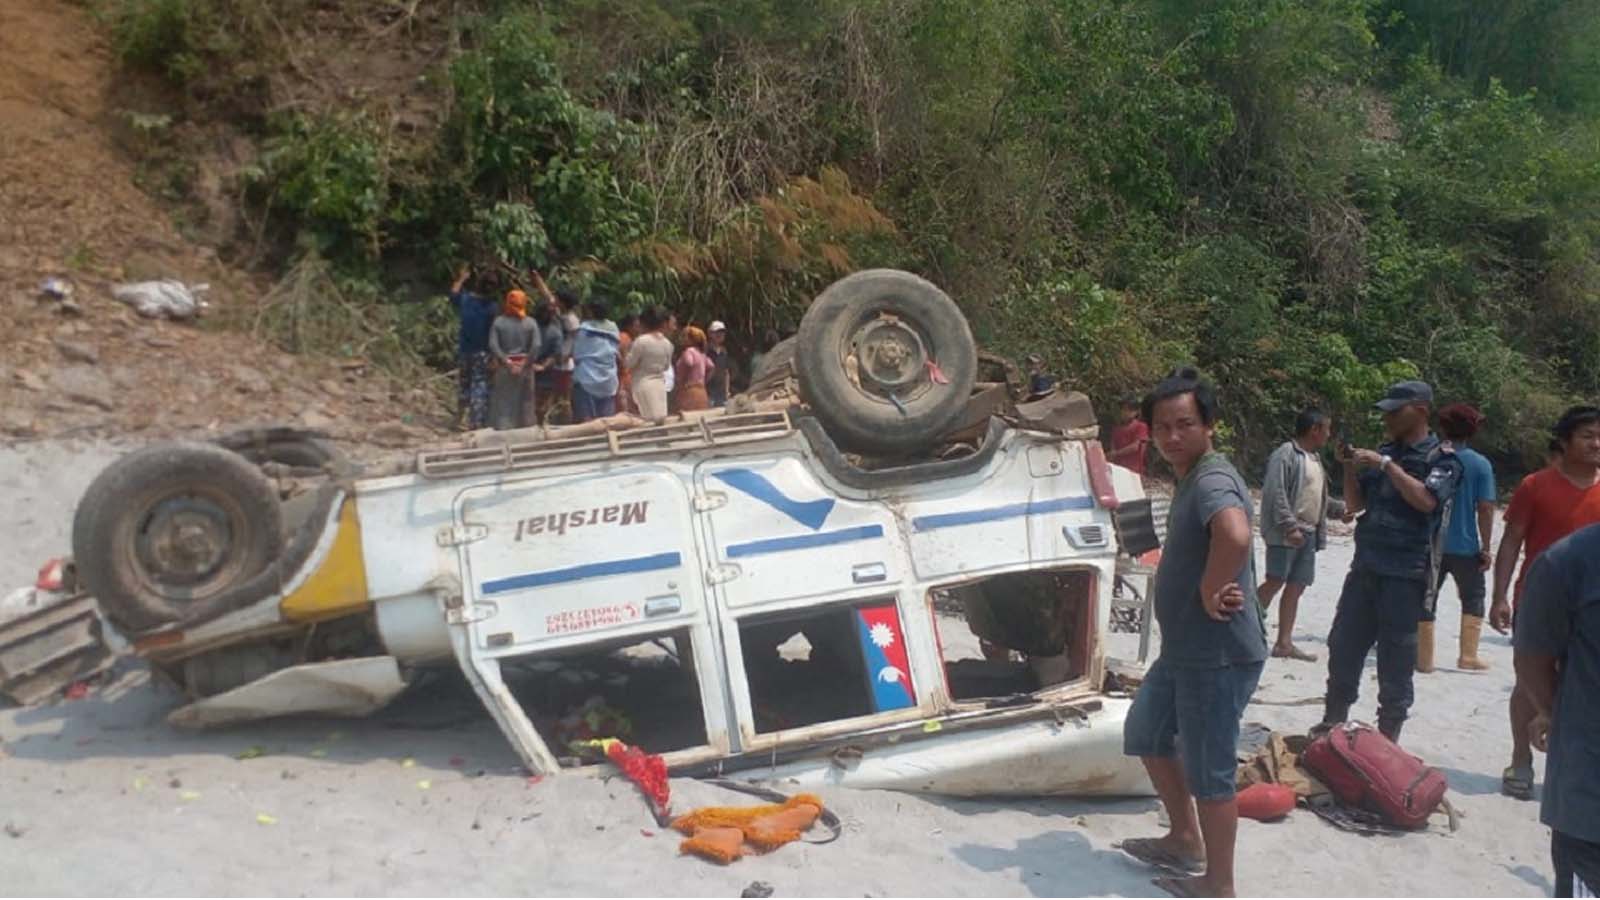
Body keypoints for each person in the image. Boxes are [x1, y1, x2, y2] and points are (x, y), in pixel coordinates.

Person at [1118, 367, 1265, 899]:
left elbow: (1235, 534)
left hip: (1216, 654)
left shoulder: (1211, 479)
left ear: (1210, 426)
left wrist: (1211, 587)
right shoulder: (1191, 477)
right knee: (1147, 733)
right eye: (1162, 427)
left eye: (1184, 424)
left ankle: (1218, 884)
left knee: (1211, 770)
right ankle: (1184, 837)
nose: (1172, 437)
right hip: (1184, 650)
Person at [1319, 381, 1461, 744]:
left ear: (1422, 411)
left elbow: (1427, 500)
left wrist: (1387, 466)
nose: (1389, 418)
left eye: (1396, 412)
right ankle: (1332, 724)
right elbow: (1355, 505)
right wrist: (1350, 467)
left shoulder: (1441, 458)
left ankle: (1387, 740)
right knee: (1343, 645)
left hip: (1405, 573)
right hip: (1366, 566)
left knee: (1395, 661)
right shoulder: (1383, 452)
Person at [1489, 405, 1600, 799]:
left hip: (1591, 608)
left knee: (1585, 684)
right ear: (1566, 440)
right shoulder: (1535, 486)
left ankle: (1572, 764)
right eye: (1587, 435)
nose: (1596, 443)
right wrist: (1500, 595)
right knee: (1529, 680)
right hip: (1537, 601)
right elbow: (1512, 540)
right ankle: (1521, 759)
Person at [1512, 523, 1600, 898]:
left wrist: (1555, 714)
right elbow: (1532, 660)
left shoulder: (1568, 560)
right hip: (1590, 808)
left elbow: (1533, 663)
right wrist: (1558, 714)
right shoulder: (1569, 563)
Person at [1258, 408, 1346, 662]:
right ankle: (1240, 626)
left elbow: (1318, 498)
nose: (1329, 435)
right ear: (1315, 429)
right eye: (1327, 429)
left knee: (1296, 587)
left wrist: (1340, 511)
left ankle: (1284, 643)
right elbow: (1276, 493)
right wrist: (1289, 526)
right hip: (1289, 532)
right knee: (1275, 580)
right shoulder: (1285, 454)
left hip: (1307, 533)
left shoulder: (1315, 459)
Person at [1421, 403, 1496, 674]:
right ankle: (1467, 656)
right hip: (1465, 545)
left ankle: (1424, 658)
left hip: (1429, 542)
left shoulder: (1429, 456)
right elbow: (1486, 508)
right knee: (1473, 597)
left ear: (1443, 427)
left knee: (1426, 597)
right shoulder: (1480, 464)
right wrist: (1486, 547)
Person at [446, 265, 497, 431]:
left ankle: (458, 418)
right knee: (479, 385)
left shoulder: (466, 300)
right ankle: (475, 424)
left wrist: (461, 279)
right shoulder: (491, 307)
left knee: (464, 384)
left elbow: (453, 294)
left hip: (464, 351)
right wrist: (494, 357)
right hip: (482, 352)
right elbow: (492, 334)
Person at [487, 289, 542, 430]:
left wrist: (507, 362)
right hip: (526, 367)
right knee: (527, 401)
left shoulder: (499, 322)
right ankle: (528, 433)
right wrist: (525, 363)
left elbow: (493, 345)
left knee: (505, 401)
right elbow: (536, 345)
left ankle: (505, 433)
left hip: (505, 367)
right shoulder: (531, 323)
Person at [570, 298, 622, 423]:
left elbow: (577, 355)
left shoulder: (584, 330)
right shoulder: (613, 328)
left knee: (586, 419)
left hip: (586, 378)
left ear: (591, 312)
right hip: (608, 380)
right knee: (607, 421)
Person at [627, 307, 676, 421]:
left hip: (643, 384)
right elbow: (666, 366)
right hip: (659, 385)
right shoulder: (667, 343)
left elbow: (629, 363)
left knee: (647, 419)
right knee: (660, 418)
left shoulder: (641, 341)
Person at [532, 300, 564, 426]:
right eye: (547, 312)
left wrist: (543, 366)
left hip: (546, 372)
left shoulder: (555, 331)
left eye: (552, 313)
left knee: (543, 404)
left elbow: (556, 354)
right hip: (527, 368)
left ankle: (543, 425)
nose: (550, 315)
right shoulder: (531, 325)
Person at [675, 324, 716, 413]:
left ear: (691, 339)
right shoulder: (702, 354)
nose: (681, 339)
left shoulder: (688, 351)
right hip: (701, 390)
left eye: (684, 336)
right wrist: (704, 380)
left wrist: (683, 379)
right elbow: (712, 367)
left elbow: (689, 362)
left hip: (689, 390)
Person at [1110, 395, 1150, 478]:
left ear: (1136, 412)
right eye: (1123, 409)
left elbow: (1135, 447)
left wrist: (1116, 453)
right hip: (1118, 469)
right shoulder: (1116, 429)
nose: (1125, 412)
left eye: (1129, 410)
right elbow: (1113, 446)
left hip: (1134, 470)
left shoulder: (1141, 426)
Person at [616, 313, 640, 414]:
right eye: (636, 325)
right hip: (624, 380)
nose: (638, 328)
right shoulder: (624, 337)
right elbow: (624, 361)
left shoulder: (632, 339)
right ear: (628, 326)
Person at [706, 321, 733, 408]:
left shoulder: (724, 351)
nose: (720, 335)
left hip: (721, 394)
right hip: (708, 392)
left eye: (722, 332)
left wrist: (727, 391)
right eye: (717, 332)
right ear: (710, 334)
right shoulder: (706, 351)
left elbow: (726, 372)